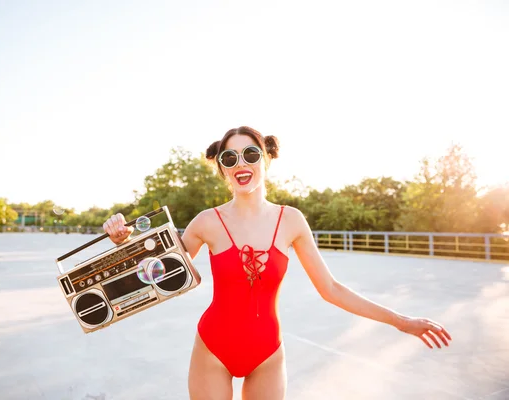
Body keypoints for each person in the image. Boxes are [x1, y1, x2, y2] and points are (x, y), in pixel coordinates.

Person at [103, 126, 452, 400]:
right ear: (222, 169)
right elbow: (155, 274)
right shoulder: (206, 222)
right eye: (230, 158)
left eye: (250, 153)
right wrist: (124, 242)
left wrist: (400, 321)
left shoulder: (292, 221)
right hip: (213, 350)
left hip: (267, 354)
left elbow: (331, 289)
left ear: (265, 158)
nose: (241, 163)